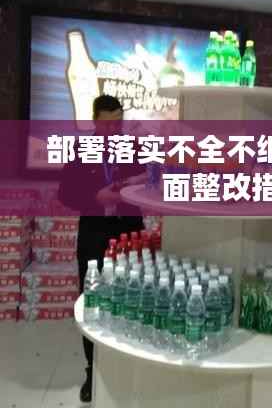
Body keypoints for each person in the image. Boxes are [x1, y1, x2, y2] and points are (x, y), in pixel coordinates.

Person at [58, 95, 144, 403]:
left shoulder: (133, 148)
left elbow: (152, 182)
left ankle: (130, 364)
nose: (113, 130)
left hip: (129, 233)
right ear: (94, 121)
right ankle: (92, 371)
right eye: (107, 124)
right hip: (94, 234)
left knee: (131, 298)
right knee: (93, 302)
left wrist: (140, 180)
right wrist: (96, 198)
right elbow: (65, 194)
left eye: (117, 124)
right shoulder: (81, 150)